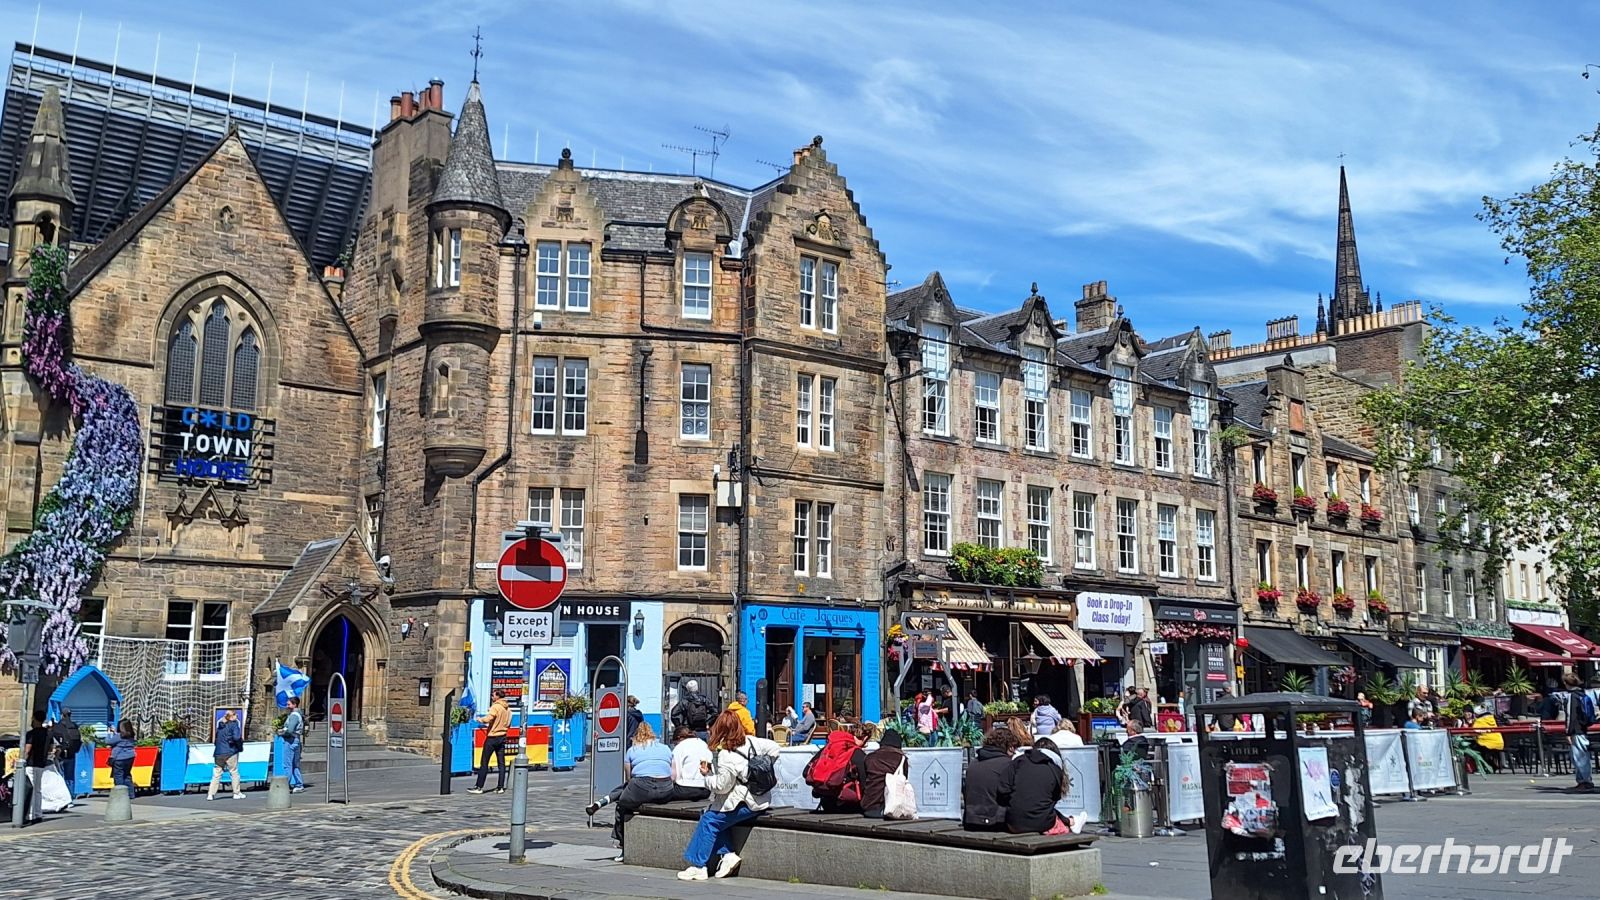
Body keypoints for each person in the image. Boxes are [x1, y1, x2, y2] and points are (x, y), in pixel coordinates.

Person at [677, 710, 780, 881]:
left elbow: (721, 787)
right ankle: (727, 856)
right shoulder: (752, 742)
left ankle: (698, 866)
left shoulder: (726, 756)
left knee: (709, 821)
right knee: (709, 815)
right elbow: (775, 749)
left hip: (744, 803)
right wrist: (760, 767)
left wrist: (707, 776)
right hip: (761, 799)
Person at [588, 722, 676, 860]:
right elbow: (673, 776)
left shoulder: (632, 750)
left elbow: (629, 778)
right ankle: (601, 802)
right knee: (629, 788)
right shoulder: (666, 748)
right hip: (666, 789)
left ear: (637, 736)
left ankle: (623, 845)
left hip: (642, 786)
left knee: (622, 806)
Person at [1003, 738, 1070, 834]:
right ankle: (1071, 822)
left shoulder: (1018, 761)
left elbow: (1003, 789)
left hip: (1014, 823)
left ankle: (1070, 821)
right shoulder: (1055, 769)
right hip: (1043, 823)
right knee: (1050, 813)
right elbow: (1055, 798)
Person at [963, 727, 1021, 830]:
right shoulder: (1008, 765)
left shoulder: (973, 763)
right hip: (996, 822)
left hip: (971, 820)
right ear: (1011, 748)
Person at [858, 728, 909, 819]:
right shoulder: (901, 759)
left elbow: (863, 783)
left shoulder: (870, 758)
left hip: (868, 807)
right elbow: (903, 782)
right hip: (890, 808)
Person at [468, 689, 512, 795]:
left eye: (493, 695)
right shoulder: (508, 709)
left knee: (484, 762)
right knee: (501, 763)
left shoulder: (496, 706)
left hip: (492, 737)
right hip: (502, 736)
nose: (492, 697)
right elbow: (508, 723)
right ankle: (500, 787)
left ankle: (479, 787)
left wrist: (480, 719)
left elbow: (489, 718)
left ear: (497, 696)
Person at [1558, 671, 1595, 793]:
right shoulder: (1582, 694)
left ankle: (1585, 781)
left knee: (1579, 756)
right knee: (1582, 755)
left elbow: (1570, 716)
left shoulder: (1571, 696)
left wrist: (1568, 732)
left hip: (1576, 730)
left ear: (1565, 683)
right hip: (1583, 728)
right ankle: (1584, 781)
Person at [208, 709, 246, 801]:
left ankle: (211, 794)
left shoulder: (220, 726)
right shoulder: (234, 725)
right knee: (234, 772)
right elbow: (237, 737)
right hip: (230, 751)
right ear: (232, 716)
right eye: (235, 715)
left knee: (217, 773)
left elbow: (216, 739)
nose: (237, 716)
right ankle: (236, 792)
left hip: (218, 752)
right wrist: (239, 746)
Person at [20, 710, 50, 824]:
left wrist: (22, 761)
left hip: (31, 764)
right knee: (38, 789)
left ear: (35, 719)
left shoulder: (31, 734)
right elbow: (52, 748)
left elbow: (27, 750)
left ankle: (30, 814)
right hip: (41, 764)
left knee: (29, 789)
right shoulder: (48, 733)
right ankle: (38, 813)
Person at [669, 725, 713, 802]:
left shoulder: (679, 747)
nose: (675, 745)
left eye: (675, 743)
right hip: (705, 790)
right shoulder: (704, 744)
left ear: (679, 738)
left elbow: (675, 775)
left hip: (684, 789)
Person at [50, 710, 81, 806]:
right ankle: (71, 798)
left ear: (62, 715)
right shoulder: (74, 726)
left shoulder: (58, 726)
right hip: (72, 754)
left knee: (60, 777)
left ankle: (64, 798)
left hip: (61, 755)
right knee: (70, 777)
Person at [278, 697, 306, 793]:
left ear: (294, 705)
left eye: (289, 704)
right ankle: (299, 784)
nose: (287, 706)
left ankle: (285, 785)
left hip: (290, 740)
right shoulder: (298, 715)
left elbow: (290, 730)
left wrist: (281, 733)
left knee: (287, 764)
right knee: (295, 764)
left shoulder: (294, 715)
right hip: (296, 740)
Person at [108, 719, 137, 798]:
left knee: (118, 775)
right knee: (127, 775)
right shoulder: (131, 735)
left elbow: (109, 742)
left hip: (119, 758)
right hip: (130, 756)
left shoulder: (119, 736)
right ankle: (131, 794)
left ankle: (120, 794)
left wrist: (110, 734)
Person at [1471, 704, 1503, 773]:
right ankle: (1493, 766)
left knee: (1473, 749)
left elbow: (1474, 732)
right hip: (1499, 743)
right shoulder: (1492, 719)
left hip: (1487, 743)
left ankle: (1485, 767)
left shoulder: (1479, 721)